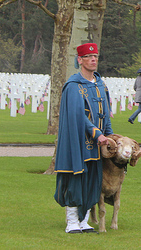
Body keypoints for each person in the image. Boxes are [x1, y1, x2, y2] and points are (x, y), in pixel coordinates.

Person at [54, 43, 113, 233]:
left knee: (92, 180)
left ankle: (84, 220)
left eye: (95, 56)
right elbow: (78, 115)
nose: (93, 59)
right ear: (80, 60)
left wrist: (110, 136)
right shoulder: (73, 86)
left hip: (98, 143)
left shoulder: (100, 84)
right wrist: (97, 134)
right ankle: (72, 221)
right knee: (75, 179)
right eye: (89, 56)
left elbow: (106, 112)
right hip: (78, 140)